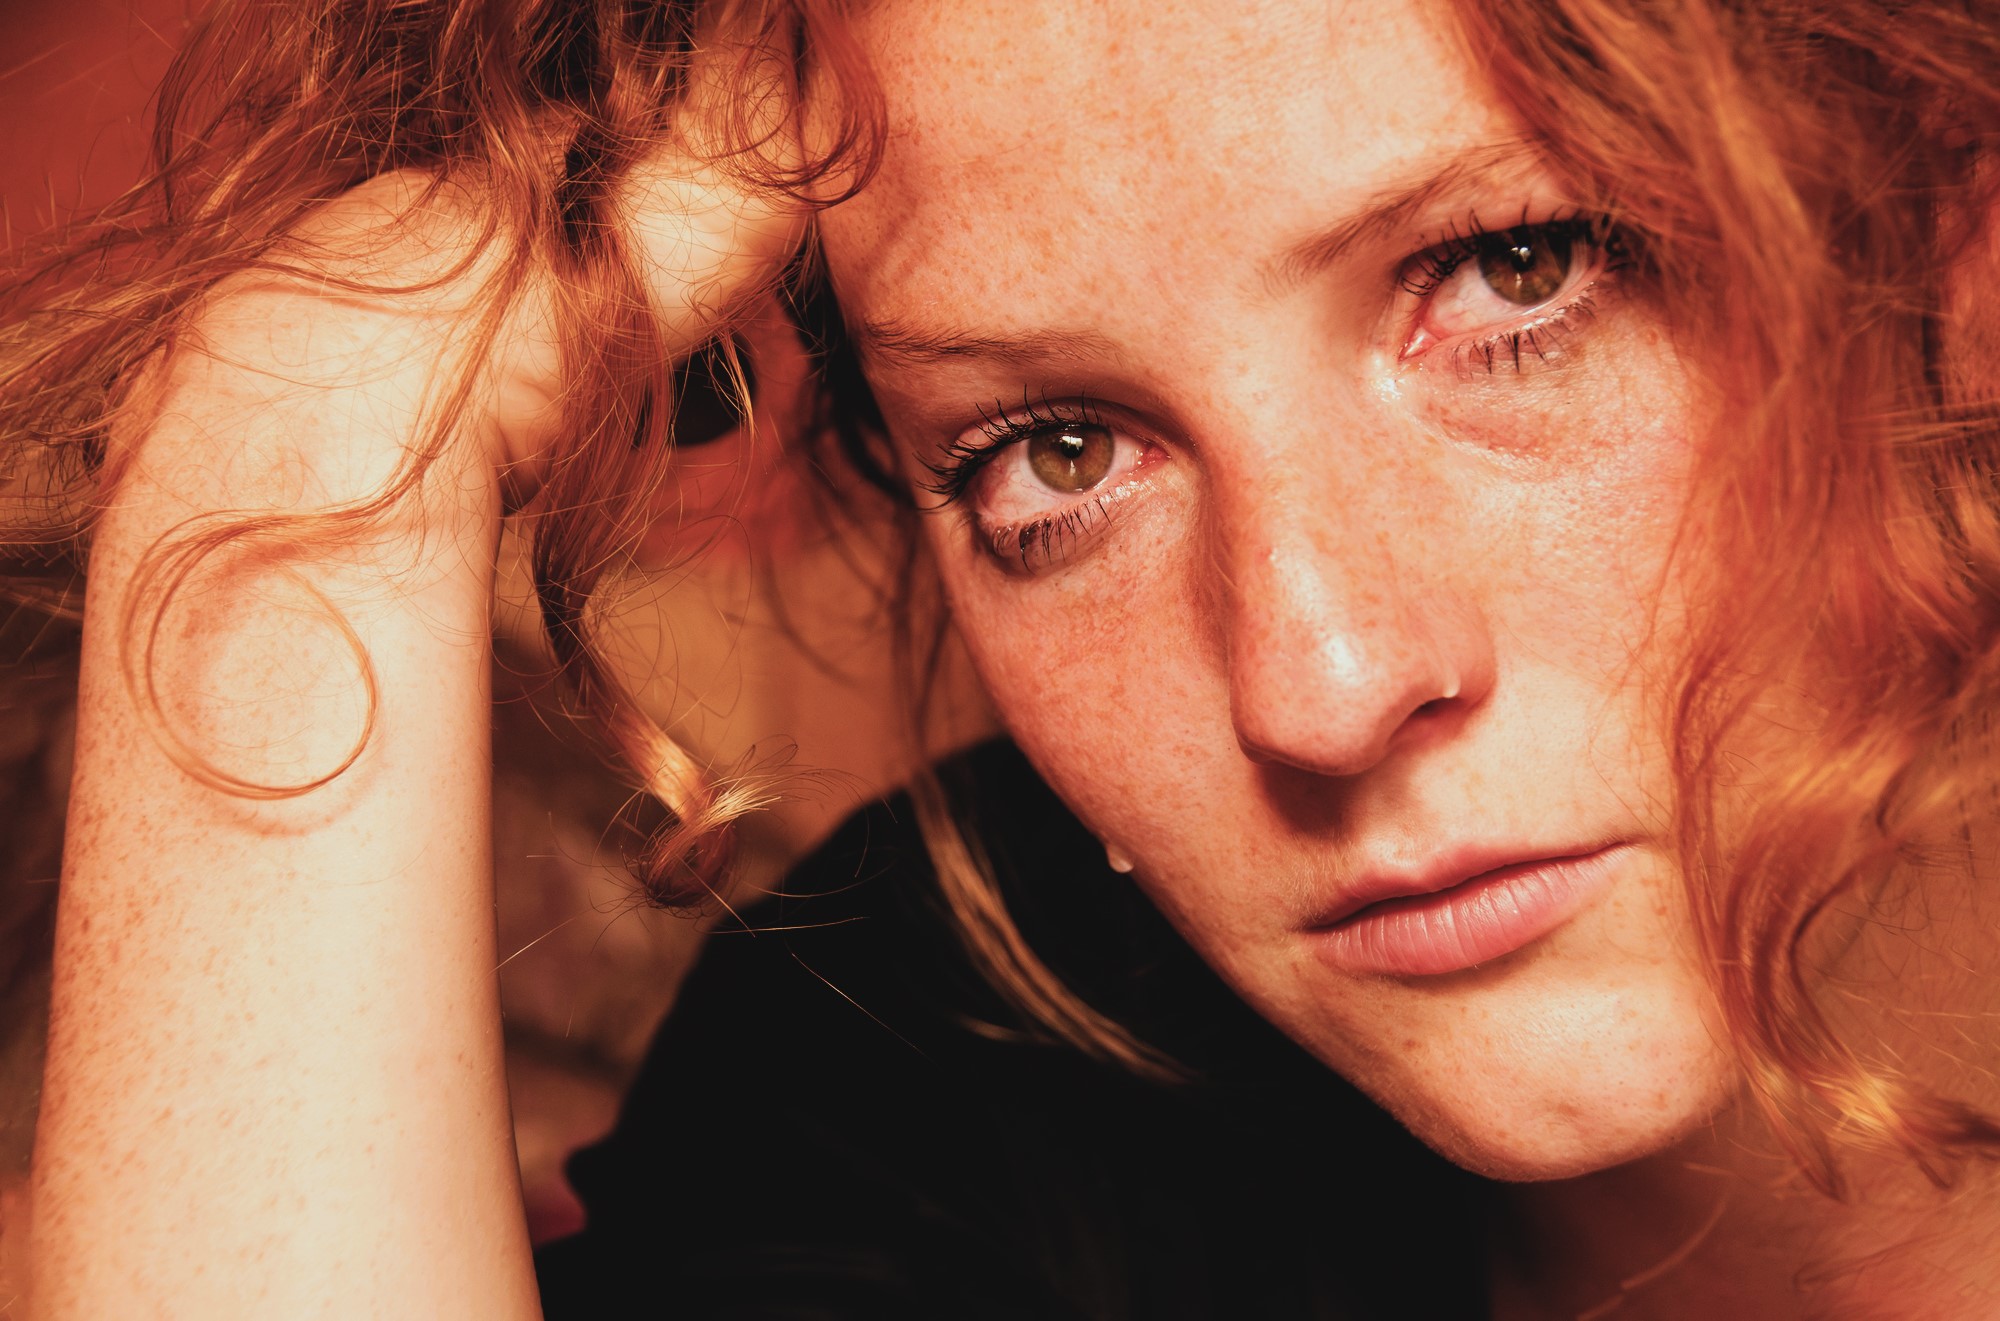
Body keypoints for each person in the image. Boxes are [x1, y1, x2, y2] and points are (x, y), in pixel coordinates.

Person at [5, 0, 1998, 1317]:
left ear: (1953, 244)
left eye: (1513, 272)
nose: (1313, 677)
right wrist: (296, 442)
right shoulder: (934, 1081)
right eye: (1055, 452)